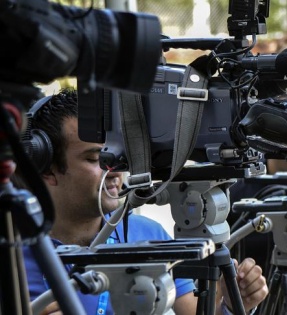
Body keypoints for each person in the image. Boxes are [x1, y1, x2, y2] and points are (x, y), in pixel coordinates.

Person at [21, 89, 268, 315]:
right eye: (96, 158)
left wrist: (232, 305)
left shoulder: (148, 234)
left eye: (119, 154)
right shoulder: (13, 255)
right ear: (46, 168)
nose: (116, 169)